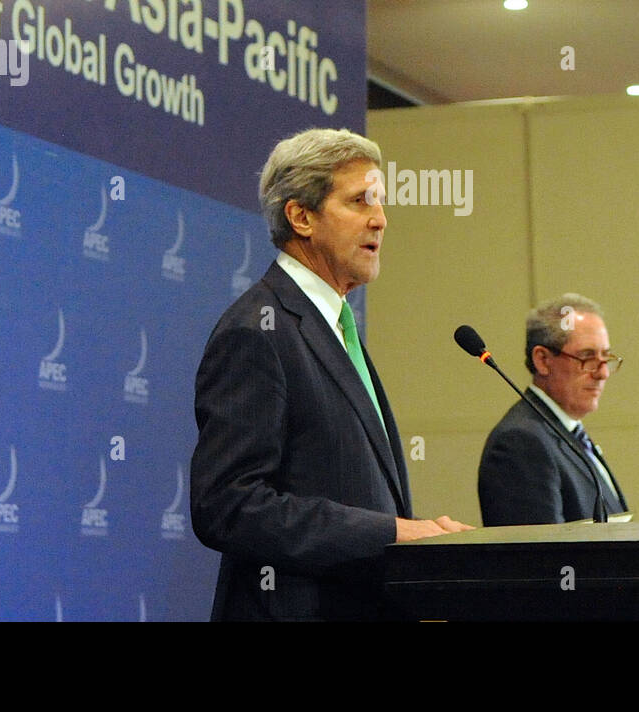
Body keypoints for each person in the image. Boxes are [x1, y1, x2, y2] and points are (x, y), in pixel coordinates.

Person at [191, 127, 471, 620]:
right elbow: (228, 506)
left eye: (381, 202)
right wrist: (393, 532)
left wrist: (412, 535)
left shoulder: (334, 326)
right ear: (301, 216)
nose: (380, 220)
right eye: (360, 201)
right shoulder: (258, 330)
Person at [478, 294, 628, 526]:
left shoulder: (567, 433)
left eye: (605, 357)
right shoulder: (520, 442)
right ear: (543, 360)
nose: (603, 373)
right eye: (587, 357)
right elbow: (540, 556)